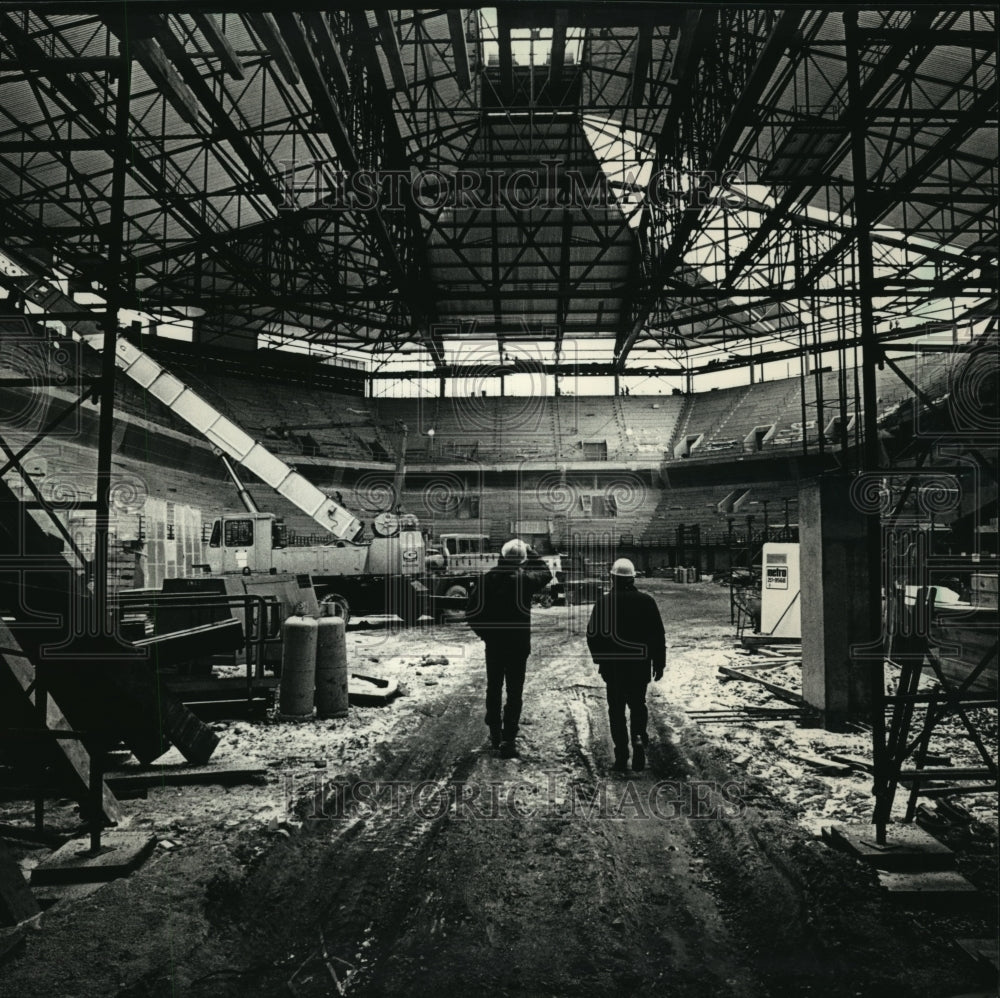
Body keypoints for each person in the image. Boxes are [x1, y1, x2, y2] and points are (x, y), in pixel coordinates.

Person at [466, 538, 552, 758]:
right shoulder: (524, 580)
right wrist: (530, 551)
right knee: (515, 691)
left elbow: (472, 611)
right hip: (518, 645)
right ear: (522, 559)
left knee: (493, 686)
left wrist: (485, 635)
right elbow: (546, 572)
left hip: (494, 645)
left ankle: (495, 731)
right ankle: (509, 739)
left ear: (501, 556)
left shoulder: (486, 579)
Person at [586, 558, 666, 773]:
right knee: (638, 705)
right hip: (639, 667)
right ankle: (639, 738)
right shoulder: (647, 601)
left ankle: (621, 754)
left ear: (613, 578)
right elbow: (657, 635)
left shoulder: (604, 602)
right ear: (632, 578)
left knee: (616, 710)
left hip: (614, 668)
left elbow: (592, 634)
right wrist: (659, 663)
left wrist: (600, 659)